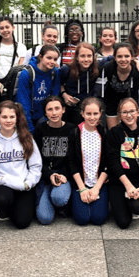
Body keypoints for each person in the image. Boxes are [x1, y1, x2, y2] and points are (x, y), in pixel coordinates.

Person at [0, 101, 42, 229]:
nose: (8, 120)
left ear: (17, 118)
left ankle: (17, 206)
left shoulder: (26, 138)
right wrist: (2, 180)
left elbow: (36, 166)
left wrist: (29, 183)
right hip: (2, 184)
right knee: (1, 200)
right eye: (4, 117)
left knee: (22, 223)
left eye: (12, 117)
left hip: (23, 185)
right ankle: (4, 208)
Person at [106, 98, 139, 229]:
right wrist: (128, 186)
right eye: (125, 112)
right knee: (123, 223)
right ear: (119, 115)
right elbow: (113, 162)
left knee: (137, 207)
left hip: (138, 179)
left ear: (138, 112)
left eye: (132, 111)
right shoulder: (113, 133)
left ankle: (131, 202)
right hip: (119, 180)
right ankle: (122, 200)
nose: (129, 115)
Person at [33, 96, 77, 225]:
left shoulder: (72, 129)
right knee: (44, 218)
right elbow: (37, 158)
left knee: (59, 198)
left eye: (57, 108)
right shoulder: (40, 129)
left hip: (64, 174)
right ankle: (47, 193)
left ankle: (61, 201)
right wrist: (49, 174)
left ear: (63, 110)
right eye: (50, 109)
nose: (54, 113)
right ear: (45, 112)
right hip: (46, 174)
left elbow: (73, 158)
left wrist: (64, 175)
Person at [68, 97, 109, 225]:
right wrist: (82, 189)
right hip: (81, 182)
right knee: (82, 219)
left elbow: (107, 163)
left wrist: (97, 188)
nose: (92, 117)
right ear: (82, 114)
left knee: (98, 219)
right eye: (88, 114)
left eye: (95, 113)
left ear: (100, 114)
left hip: (99, 182)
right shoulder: (74, 133)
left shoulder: (105, 133)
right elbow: (72, 162)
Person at [60, 43, 111, 125]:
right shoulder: (66, 69)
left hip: (89, 105)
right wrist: (64, 94)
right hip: (72, 106)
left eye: (89, 56)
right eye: (82, 56)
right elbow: (59, 83)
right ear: (77, 57)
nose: (86, 59)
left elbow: (112, 57)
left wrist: (137, 62)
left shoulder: (96, 66)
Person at [97, 43, 139, 129]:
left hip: (131, 105)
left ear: (132, 57)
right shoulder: (108, 68)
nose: (123, 59)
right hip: (112, 102)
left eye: (126, 56)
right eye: (119, 56)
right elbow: (92, 69)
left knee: (129, 132)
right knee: (113, 132)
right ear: (114, 57)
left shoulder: (138, 71)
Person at [16, 45, 62, 133]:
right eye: (49, 58)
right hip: (28, 116)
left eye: (55, 59)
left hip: (44, 116)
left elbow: (54, 98)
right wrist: (29, 128)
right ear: (40, 56)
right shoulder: (27, 73)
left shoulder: (55, 72)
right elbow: (23, 103)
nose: (52, 62)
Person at [0, 17, 27, 98]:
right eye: (1, 28)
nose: (5, 30)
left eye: (7, 27)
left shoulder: (21, 47)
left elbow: (20, 69)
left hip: (13, 85)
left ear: (13, 28)